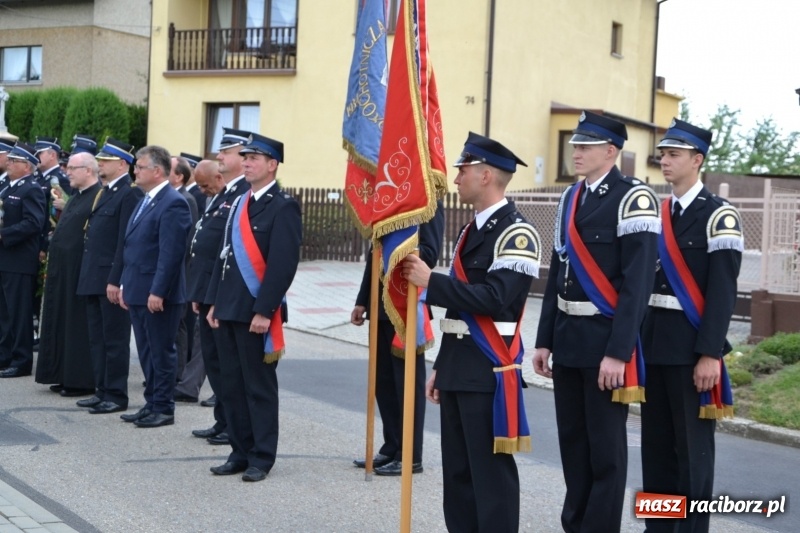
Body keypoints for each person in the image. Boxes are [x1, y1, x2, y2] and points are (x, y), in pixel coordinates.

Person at [402, 132, 541, 532]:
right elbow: (460, 311)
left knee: (490, 478)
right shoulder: (470, 231)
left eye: (463, 169)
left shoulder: (517, 232)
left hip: (488, 369)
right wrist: (442, 367)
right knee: (459, 477)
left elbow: (495, 298)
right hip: (460, 366)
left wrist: (432, 281)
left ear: (486, 176)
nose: (456, 177)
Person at [532, 111, 659, 533]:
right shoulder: (571, 198)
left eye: (585, 146)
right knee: (573, 444)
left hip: (605, 343)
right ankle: (576, 525)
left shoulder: (632, 199)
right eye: (575, 146)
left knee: (605, 451)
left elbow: (637, 286)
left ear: (611, 151)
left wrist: (618, 352)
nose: (577, 153)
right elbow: (558, 272)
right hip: (568, 340)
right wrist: (544, 339)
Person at [640, 119, 743, 533]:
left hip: (690, 350)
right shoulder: (657, 212)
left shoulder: (719, 216)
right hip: (652, 347)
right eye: (663, 154)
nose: (665, 161)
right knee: (657, 451)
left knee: (692, 453)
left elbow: (722, 294)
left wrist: (709, 354)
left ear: (697, 160)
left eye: (674, 155)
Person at [206, 132, 301, 482]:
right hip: (229, 306)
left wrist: (265, 310)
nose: (246, 162)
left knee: (257, 387)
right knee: (230, 385)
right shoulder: (240, 202)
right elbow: (224, 256)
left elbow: (283, 265)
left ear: (272, 165)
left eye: (254, 158)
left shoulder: (283, 205)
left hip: (255, 312)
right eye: (244, 157)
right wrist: (214, 300)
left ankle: (261, 456)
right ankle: (239, 450)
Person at [351, 202, 444, 476]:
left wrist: (399, 249)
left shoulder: (426, 202)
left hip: (405, 304)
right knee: (383, 382)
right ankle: (392, 445)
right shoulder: (390, 200)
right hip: (380, 305)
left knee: (407, 384)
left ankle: (410, 455)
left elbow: (429, 253)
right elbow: (374, 254)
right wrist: (362, 300)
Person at [118, 145, 192, 428]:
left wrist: (158, 291)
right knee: (147, 351)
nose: (135, 170)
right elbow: (134, 247)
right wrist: (125, 283)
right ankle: (151, 403)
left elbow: (170, 254)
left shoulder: (173, 203)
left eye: (140, 166)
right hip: (138, 287)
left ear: (157, 171)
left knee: (161, 351)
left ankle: (163, 407)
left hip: (157, 293)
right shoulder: (145, 199)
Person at [184, 152, 250, 446]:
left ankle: (230, 424)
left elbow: (222, 252)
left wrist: (211, 295)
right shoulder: (222, 196)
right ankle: (223, 420)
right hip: (207, 291)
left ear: (219, 177)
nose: (202, 191)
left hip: (220, 293)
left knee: (225, 365)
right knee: (213, 361)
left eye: (205, 185)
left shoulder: (238, 195)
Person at [75, 138, 143, 413]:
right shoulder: (106, 192)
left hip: (110, 279)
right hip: (93, 276)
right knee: (97, 338)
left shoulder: (129, 194)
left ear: (122, 164)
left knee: (114, 339)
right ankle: (102, 389)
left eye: (105, 161)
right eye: (99, 160)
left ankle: (115, 394)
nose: (100, 164)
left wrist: (117, 280)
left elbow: (124, 242)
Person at [34, 152, 101, 395]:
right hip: (62, 270)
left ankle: (79, 381)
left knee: (77, 325)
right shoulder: (76, 196)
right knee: (61, 322)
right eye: (67, 167)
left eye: (72, 168)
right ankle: (61, 373)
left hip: (79, 271)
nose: (67, 172)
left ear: (89, 170)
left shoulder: (97, 197)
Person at [0, 143, 47, 378]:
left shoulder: (32, 189)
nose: (8, 163)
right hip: (4, 259)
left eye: (14, 161)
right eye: (9, 160)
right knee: (4, 313)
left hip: (18, 260)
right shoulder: (6, 187)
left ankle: (22, 360)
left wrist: (4, 234)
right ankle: (4, 355)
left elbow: (34, 222)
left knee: (18, 313)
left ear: (26, 166)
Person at [168, 155, 199, 391]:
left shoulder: (184, 199)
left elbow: (184, 243)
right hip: (175, 272)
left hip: (181, 273)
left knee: (178, 324)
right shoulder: (174, 196)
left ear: (179, 176)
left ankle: (177, 373)